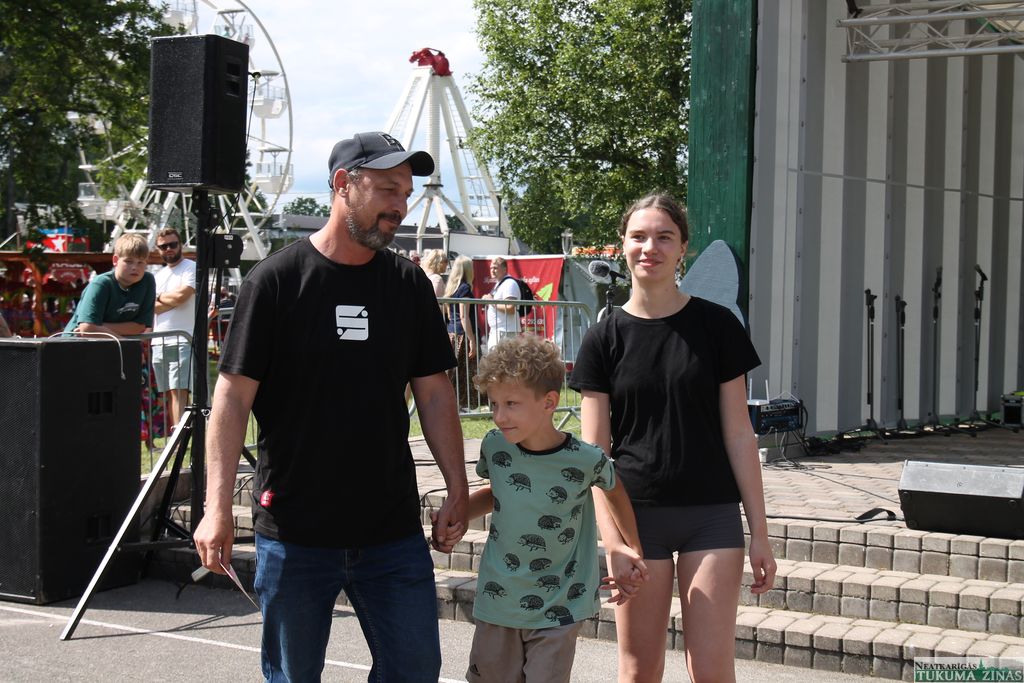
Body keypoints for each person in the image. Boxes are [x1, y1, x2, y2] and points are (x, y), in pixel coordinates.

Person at [192, 131, 469, 682]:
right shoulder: (275, 282)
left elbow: (435, 392)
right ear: (343, 184)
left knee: (414, 670)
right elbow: (232, 399)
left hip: (390, 529)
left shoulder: (408, 284)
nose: (400, 205)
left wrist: (457, 487)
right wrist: (216, 506)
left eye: (406, 192)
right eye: (387, 189)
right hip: (295, 533)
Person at [568, 193, 776, 683]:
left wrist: (760, 534)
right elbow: (594, 457)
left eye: (664, 237)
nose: (650, 248)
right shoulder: (603, 338)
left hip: (712, 517)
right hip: (636, 520)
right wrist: (613, 542)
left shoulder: (717, 326)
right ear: (622, 244)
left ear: (683, 248)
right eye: (639, 236)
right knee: (639, 670)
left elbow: (740, 435)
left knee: (710, 669)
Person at [454, 334, 646, 683]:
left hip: (560, 605)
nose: (499, 416)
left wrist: (631, 546)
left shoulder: (585, 459)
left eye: (511, 403)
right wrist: (455, 517)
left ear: (549, 402)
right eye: (494, 404)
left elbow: (615, 489)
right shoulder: (495, 447)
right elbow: (497, 493)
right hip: (499, 602)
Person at [63, 233, 155, 337]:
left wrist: (98, 327)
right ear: (115, 260)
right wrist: (123, 342)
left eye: (140, 262)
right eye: (128, 261)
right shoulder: (101, 283)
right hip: (76, 344)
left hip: (112, 344)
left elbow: (140, 327)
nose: (135, 267)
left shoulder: (147, 281)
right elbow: (87, 329)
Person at [152, 228, 197, 432]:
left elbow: (182, 296)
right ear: (158, 249)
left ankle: (180, 439)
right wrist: (171, 300)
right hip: (159, 340)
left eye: (173, 244)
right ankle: (179, 436)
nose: (168, 249)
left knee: (180, 391)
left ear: (180, 245)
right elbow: (151, 307)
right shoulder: (157, 275)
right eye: (163, 246)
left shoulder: (191, 267)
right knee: (169, 393)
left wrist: (159, 297)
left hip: (183, 339)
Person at [443, 255, 479, 409]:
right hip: (462, 334)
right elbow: (464, 317)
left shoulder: (451, 288)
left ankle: (454, 404)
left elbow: (450, 315)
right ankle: (457, 404)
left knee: (453, 372)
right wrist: (472, 340)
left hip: (451, 332)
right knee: (462, 372)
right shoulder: (464, 289)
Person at [481, 256, 521, 351]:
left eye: (495, 268)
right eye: (491, 268)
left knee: (503, 360)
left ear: (504, 269)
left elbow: (510, 308)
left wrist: (491, 301)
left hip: (505, 332)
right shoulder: (500, 283)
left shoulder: (510, 284)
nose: (492, 270)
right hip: (499, 331)